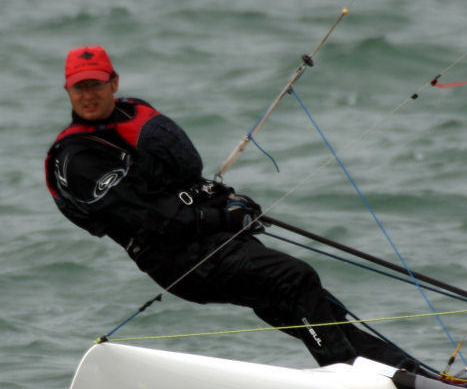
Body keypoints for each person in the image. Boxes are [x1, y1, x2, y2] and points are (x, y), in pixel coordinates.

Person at [45, 45, 421, 370]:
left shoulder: (132, 115)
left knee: (311, 305)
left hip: (209, 240)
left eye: (95, 84)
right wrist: (221, 216)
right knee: (295, 277)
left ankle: (405, 374)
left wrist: (227, 202)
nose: (88, 95)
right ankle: (344, 377)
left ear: (113, 82)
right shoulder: (77, 157)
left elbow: (175, 185)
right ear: (67, 91)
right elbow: (149, 222)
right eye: (80, 87)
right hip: (178, 261)